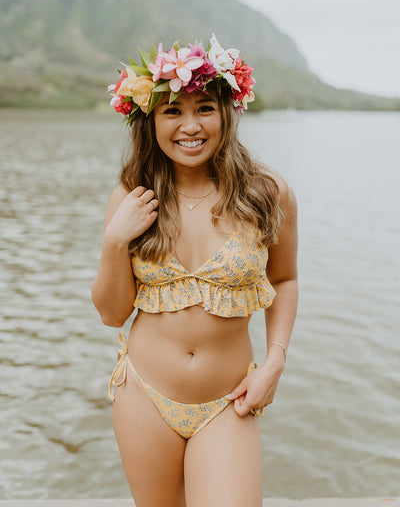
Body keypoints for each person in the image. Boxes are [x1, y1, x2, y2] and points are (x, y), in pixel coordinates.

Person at [91, 34, 298, 507]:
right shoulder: (132, 196)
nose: (191, 126)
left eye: (205, 107)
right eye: (172, 112)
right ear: (150, 121)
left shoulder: (267, 192)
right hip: (144, 392)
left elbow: (284, 279)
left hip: (229, 400)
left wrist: (275, 361)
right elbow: (110, 313)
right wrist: (113, 241)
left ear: (228, 112)